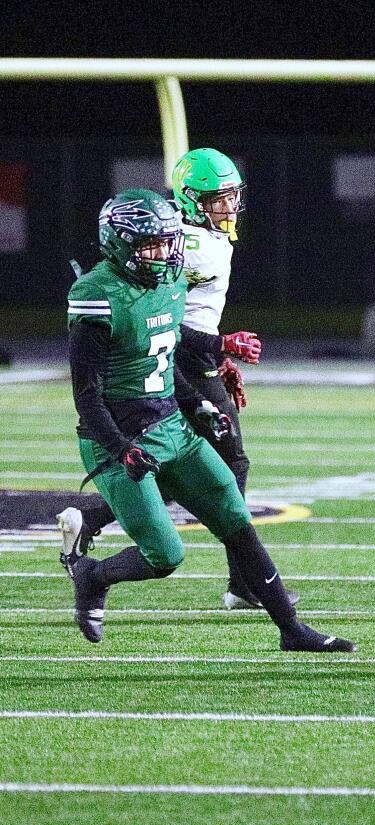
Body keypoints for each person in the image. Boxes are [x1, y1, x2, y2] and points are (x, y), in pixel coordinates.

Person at [58, 187, 352, 652]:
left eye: (168, 241)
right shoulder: (97, 295)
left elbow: (168, 351)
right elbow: (86, 396)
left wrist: (199, 404)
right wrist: (121, 449)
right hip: (119, 435)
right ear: (119, 245)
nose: (164, 253)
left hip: (172, 423)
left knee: (235, 516)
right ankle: (93, 575)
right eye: (150, 244)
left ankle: (291, 630)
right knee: (166, 555)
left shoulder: (170, 279)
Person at [56, 148, 295, 610]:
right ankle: (242, 582)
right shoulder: (177, 244)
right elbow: (155, 312)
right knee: (227, 463)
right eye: (217, 197)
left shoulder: (196, 237)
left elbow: (187, 307)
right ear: (189, 199)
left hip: (191, 355)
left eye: (232, 196)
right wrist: (219, 347)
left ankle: (93, 517)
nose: (229, 206)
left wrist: (217, 355)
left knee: (197, 463)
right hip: (173, 360)